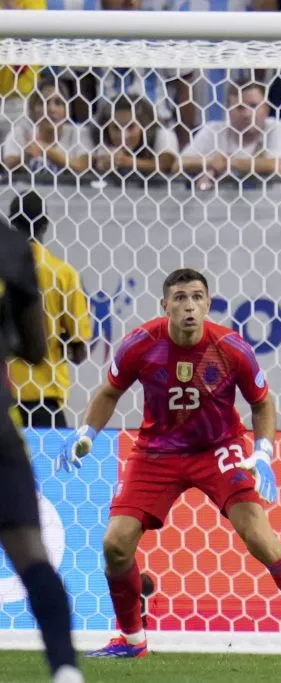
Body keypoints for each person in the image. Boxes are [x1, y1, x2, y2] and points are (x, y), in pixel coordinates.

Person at [56, 268, 281, 664]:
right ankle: (132, 638)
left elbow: (262, 402)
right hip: (157, 452)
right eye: (180, 298)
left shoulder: (231, 347)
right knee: (115, 544)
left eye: (197, 297)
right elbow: (110, 390)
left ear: (208, 304)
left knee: (260, 538)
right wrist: (87, 435)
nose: (189, 306)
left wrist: (263, 452)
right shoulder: (141, 343)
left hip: (218, 449)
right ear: (165, 306)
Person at [0, 219, 83, 683]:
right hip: (5, 424)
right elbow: (36, 349)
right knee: (31, 552)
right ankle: (65, 668)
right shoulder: (12, 246)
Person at [7, 191, 92, 428]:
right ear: (44, 225)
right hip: (46, 398)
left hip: (6, 395)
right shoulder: (64, 273)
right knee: (51, 464)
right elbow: (79, 353)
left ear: (11, 224)